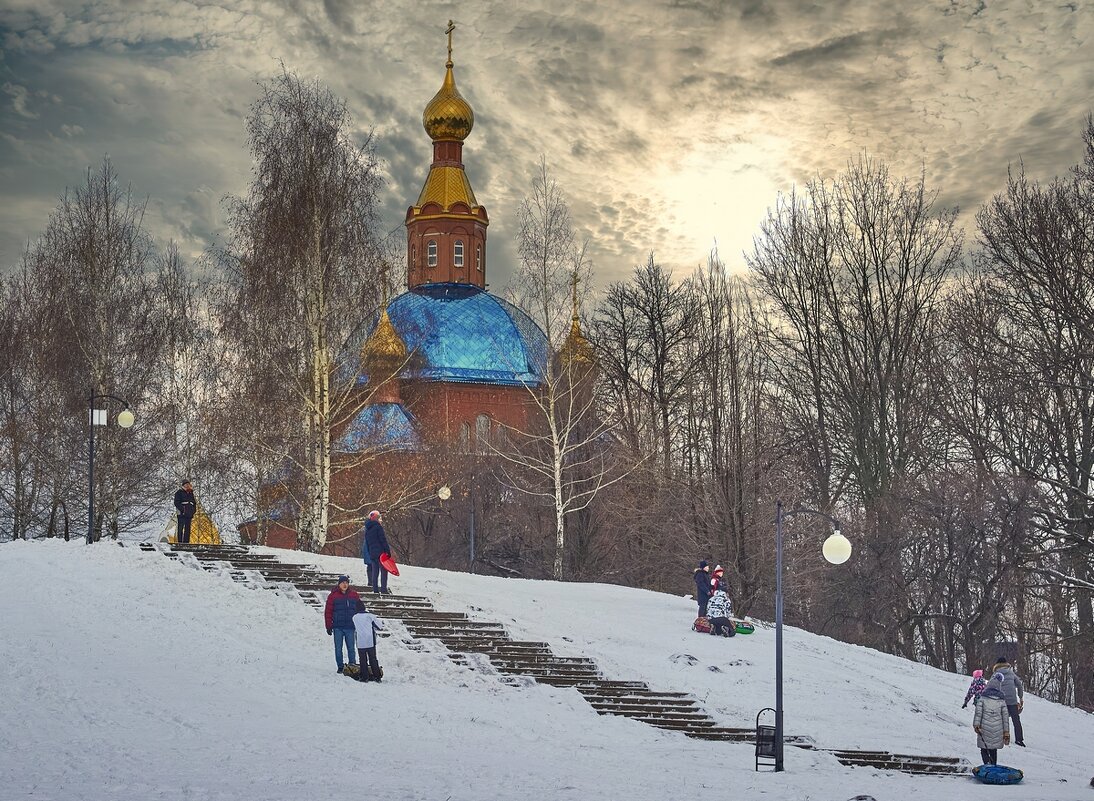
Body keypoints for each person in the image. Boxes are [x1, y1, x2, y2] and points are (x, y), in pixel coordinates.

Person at [324, 575, 360, 674]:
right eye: (342, 583)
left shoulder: (354, 595)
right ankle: (340, 666)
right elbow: (328, 611)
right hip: (338, 627)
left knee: (351, 648)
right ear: (339, 584)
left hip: (350, 626)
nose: (344, 584)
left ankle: (352, 665)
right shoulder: (333, 596)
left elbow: (359, 609)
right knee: (338, 648)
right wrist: (328, 625)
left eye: (346, 583)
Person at [973, 672, 1011, 765]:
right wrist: (1006, 732)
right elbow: (1005, 717)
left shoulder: (982, 699)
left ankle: (987, 764)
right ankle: (993, 766)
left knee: (984, 749)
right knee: (993, 750)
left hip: (984, 729)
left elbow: (978, 713)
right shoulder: (1002, 701)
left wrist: (976, 725)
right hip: (998, 729)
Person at [991, 656, 1026, 746]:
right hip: (1013, 700)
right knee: (1016, 720)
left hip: (1001, 700)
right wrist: (1021, 697)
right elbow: (1019, 685)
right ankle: (1019, 740)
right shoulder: (1011, 673)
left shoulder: (996, 674)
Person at [352, 599, 386, 682]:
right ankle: (377, 676)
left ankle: (364, 677)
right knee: (373, 659)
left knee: (362, 659)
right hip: (370, 640)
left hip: (360, 641)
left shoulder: (354, 617)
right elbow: (380, 626)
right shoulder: (370, 616)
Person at [363, 510, 392, 595]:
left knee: (375, 571)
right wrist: (387, 551)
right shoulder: (378, 527)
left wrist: (370, 552)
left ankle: (375, 589)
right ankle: (383, 589)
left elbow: (367, 543)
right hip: (381, 553)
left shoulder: (367, 529)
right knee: (384, 571)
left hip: (372, 553)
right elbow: (383, 540)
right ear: (376, 518)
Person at [173, 480, 196, 544]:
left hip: (189, 513)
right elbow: (176, 502)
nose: (188, 486)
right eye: (186, 484)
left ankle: (186, 542)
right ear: (183, 485)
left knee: (188, 528)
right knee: (181, 527)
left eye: (189, 484)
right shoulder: (179, 493)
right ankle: (180, 541)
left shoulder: (191, 493)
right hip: (181, 513)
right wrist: (183, 509)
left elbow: (194, 503)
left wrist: (193, 511)